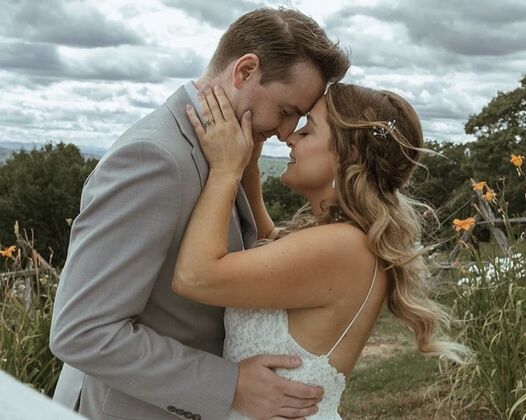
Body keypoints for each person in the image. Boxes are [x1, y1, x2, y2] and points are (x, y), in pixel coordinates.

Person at [49, 7, 350, 420]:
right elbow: (83, 332)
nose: (285, 133)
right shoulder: (155, 158)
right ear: (245, 71)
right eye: (285, 112)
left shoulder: (228, 150)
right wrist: (230, 385)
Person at [176, 82, 469, 418]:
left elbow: (194, 277)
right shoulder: (346, 240)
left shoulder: (344, 246)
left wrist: (225, 171)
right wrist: (250, 166)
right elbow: (271, 245)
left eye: (308, 130)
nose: (290, 137)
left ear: (348, 155)